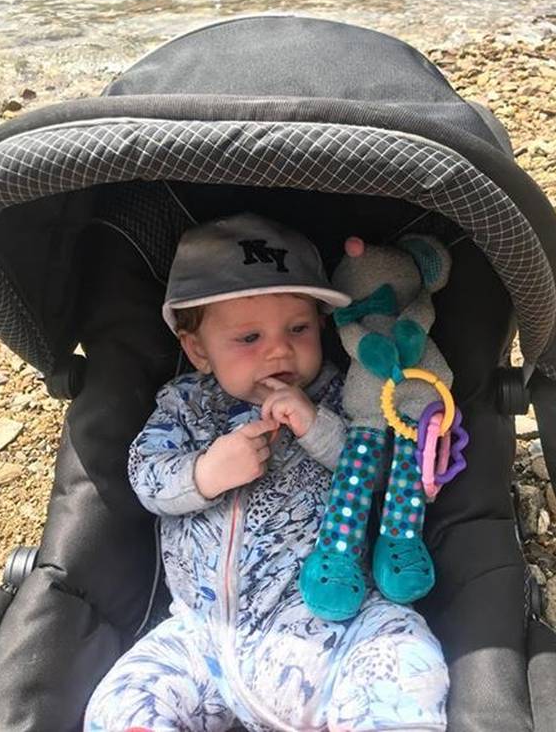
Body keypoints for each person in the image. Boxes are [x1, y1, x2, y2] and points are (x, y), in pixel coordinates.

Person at [84, 213, 449, 732]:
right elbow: (145, 475)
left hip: (328, 622)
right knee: (123, 703)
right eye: (249, 337)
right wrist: (206, 472)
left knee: (403, 651)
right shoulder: (185, 405)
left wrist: (318, 428)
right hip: (201, 633)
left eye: (298, 329)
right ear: (197, 350)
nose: (279, 349)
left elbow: (386, 477)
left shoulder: (344, 396)